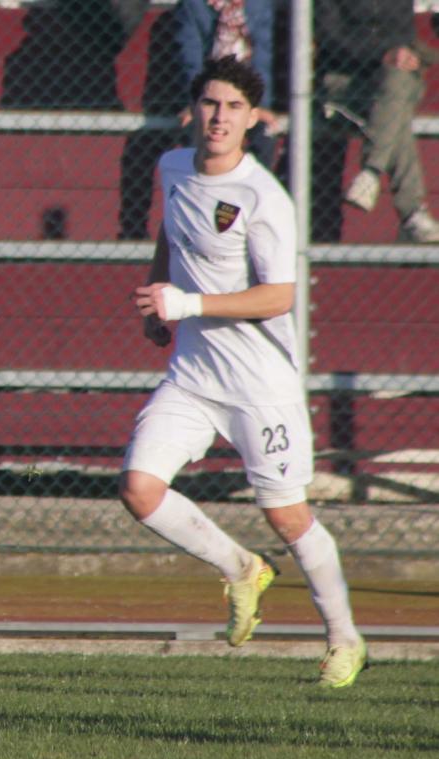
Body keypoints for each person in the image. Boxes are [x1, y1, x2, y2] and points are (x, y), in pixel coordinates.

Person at [120, 56, 367, 688]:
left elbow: (278, 296)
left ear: (253, 119)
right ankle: (240, 568)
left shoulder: (263, 197)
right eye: (210, 103)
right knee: (139, 490)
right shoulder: (173, 166)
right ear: (192, 110)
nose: (219, 117)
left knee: (287, 517)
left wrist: (187, 304)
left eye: (233, 107)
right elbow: (171, 233)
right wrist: (157, 297)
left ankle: (345, 639)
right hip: (192, 377)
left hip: (260, 386)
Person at [316, 0, 439, 242]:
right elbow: (331, 39)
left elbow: (403, 36)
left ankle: (371, 173)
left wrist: (403, 55)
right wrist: (383, 53)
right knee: (395, 110)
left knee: (396, 84)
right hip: (345, 83)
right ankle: (412, 213)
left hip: (390, 81)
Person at [174, 0, 280, 167]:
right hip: (208, 91)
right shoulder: (194, 5)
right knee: (198, 130)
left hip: (245, 92)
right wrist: (195, 101)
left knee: (265, 132)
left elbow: (262, 58)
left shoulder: (258, 5)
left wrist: (260, 105)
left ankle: (250, 181)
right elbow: (190, 60)